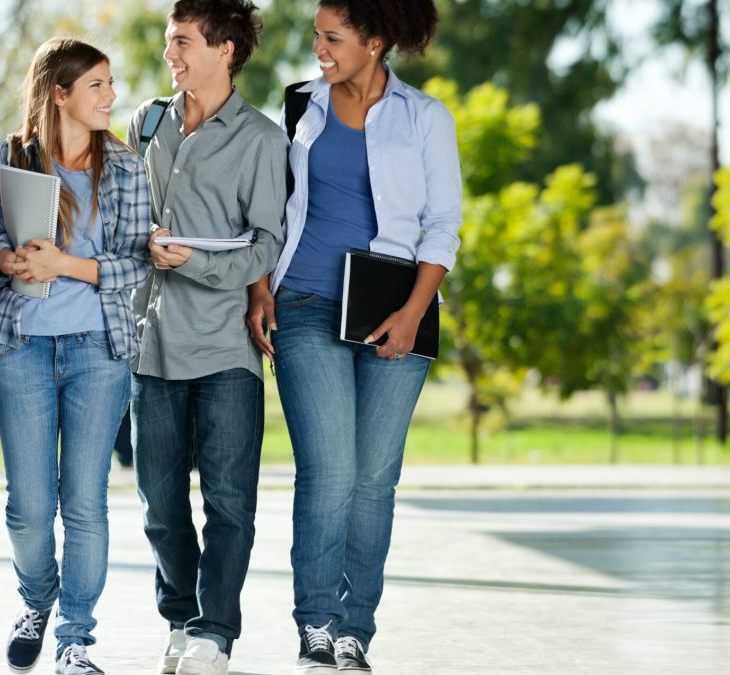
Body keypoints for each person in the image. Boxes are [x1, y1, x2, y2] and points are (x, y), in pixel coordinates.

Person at [245, 1, 460, 671]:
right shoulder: (298, 105)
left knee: (374, 478)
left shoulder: (425, 117)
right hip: (305, 299)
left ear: (374, 41)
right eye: (317, 35)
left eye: (332, 37)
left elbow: (442, 225)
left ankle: (353, 628)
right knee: (330, 470)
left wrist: (413, 311)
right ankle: (315, 623)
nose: (319, 48)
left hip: (396, 307)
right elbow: (272, 207)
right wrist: (259, 284)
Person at [126, 2, 287, 674]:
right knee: (160, 505)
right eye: (169, 43)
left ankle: (214, 632)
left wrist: (196, 262)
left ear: (224, 50)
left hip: (224, 348)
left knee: (228, 503)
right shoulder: (147, 123)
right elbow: (124, 208)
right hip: (151, 341)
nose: (171, 56)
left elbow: (266, 246)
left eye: (183, 43)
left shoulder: (261, 139)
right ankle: (180, 617)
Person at [0, 38, 152, 675]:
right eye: (98, 86)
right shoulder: (15, 155)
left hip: (99, 352)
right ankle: (37, 599)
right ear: (60, 93)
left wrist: (66, 265)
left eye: (111, 85)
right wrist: (7, 260)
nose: (111, 97)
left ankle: (76, 639)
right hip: (22, 346)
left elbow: (136, 264)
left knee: (85, 502)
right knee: (28, 506)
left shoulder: (128, 168)